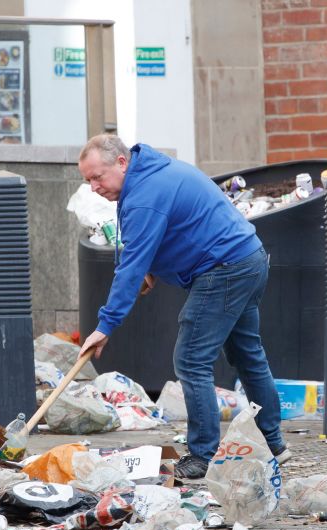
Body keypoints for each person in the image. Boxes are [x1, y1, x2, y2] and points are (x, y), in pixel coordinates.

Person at [76, 133, 289, 480]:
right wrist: (151, 267)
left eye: (97, 177)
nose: (93, 187)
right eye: (87, 181)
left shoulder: (144, 194)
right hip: (248, 257)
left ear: (121, 162)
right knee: (248, 353)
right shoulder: (152, 174)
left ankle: (203, 455)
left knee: (191, 359)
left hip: (224, 269)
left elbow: (130, 266)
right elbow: (171, 231)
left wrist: (104, 327)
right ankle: (274, 443)